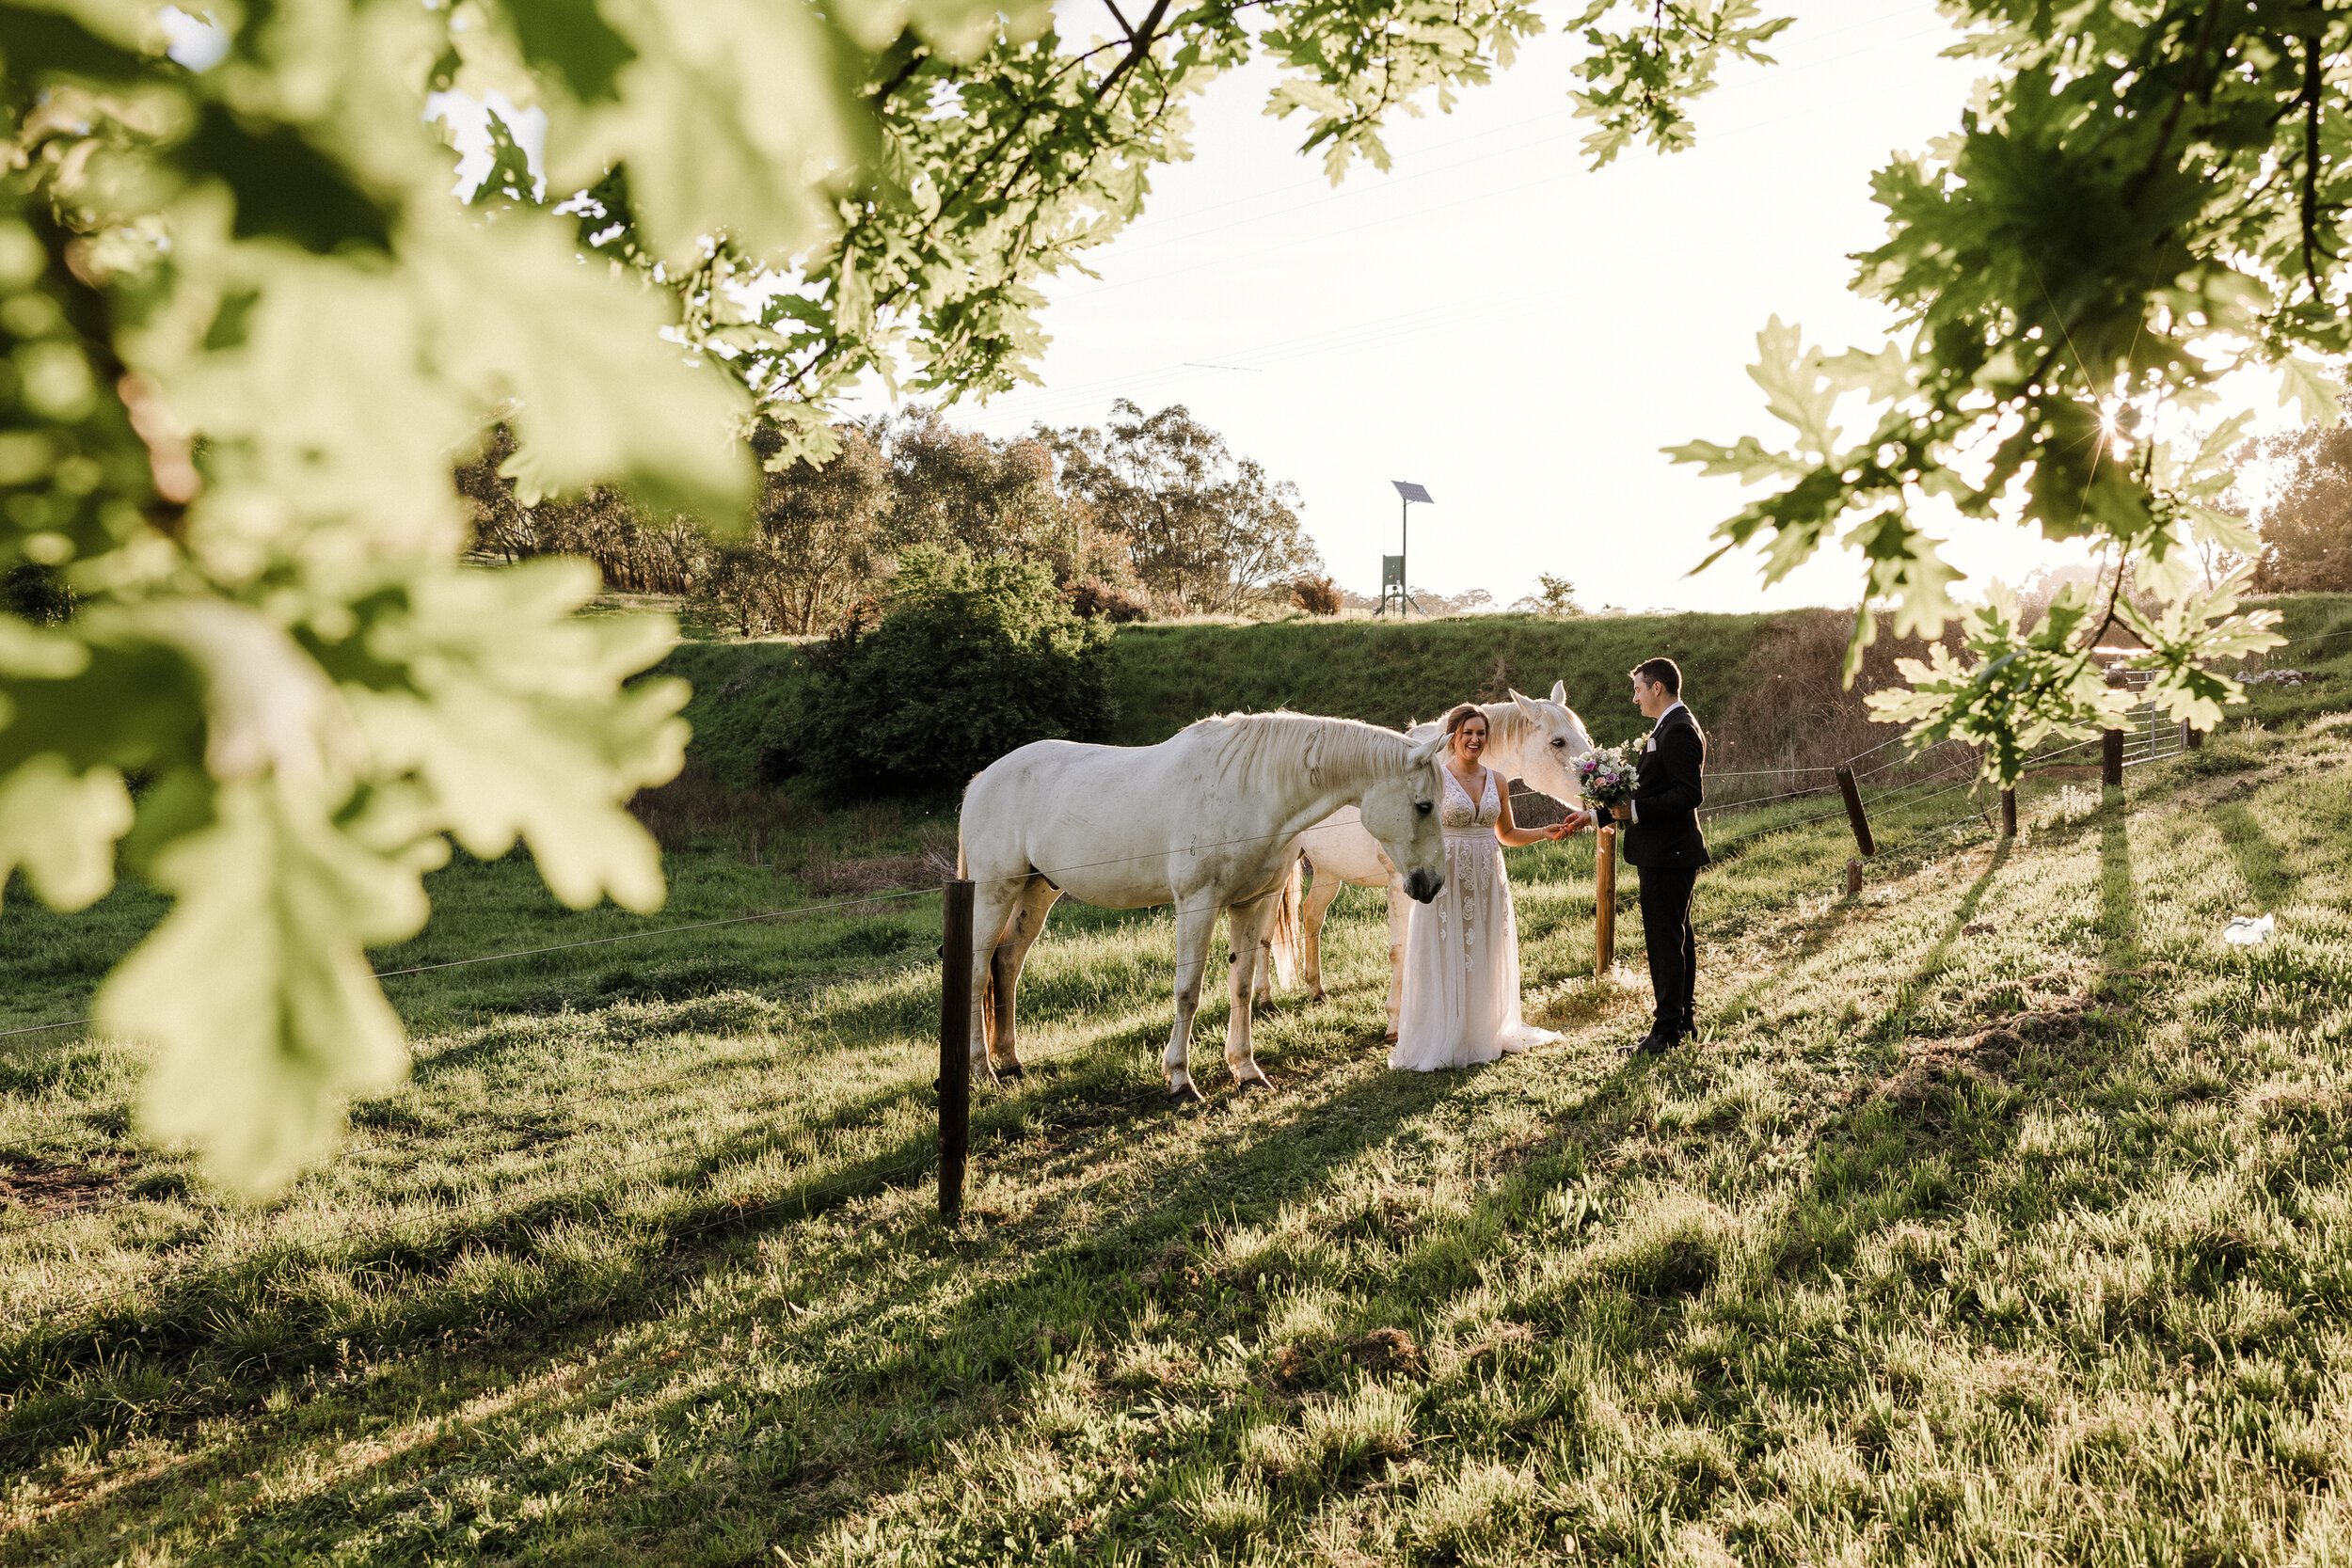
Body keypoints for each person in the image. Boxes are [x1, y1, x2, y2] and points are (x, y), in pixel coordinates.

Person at [1390, 704, 1570, 1071]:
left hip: (1488, 876)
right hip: (1447, 877)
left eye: (1481, 733)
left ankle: (1481, 1031)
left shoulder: (1498, 780)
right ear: (1453, 737)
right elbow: (1414, 832)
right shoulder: (1434, 778)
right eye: (1467, 733)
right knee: (1446, 948)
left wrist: (1543, 832)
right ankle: (1445, 1034)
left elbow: (1506, 834)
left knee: (1483, 948)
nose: (1475, 740)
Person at [1566, 657, 1708, 1054]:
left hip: (1669, 852)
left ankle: (1665, 1031)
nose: (1635, 697)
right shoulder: (1668, 727)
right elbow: (1646, 791)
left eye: (1638, 689)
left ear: (1657, 687)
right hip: (1666, 851)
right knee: (1677, 938)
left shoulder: (1679, 730)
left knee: (1665, 941)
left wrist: (1635, 813)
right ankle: (1682, 1021)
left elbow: (1689, 793)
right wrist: (1591, 815)